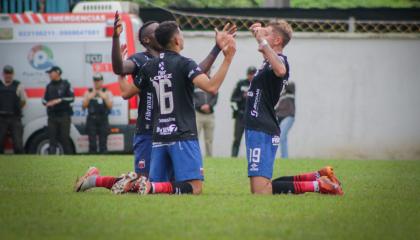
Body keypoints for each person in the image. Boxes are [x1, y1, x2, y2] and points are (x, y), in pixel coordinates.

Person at [74, 14, 236, 193]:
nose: (160, 30)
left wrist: (216, 48)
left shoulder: (160, 64)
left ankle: (97, 180)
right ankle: (96, 180)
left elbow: (195, 72)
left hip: (160, 132)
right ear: (148, 39)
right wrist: (115, 40)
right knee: (145, 182)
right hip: (153, 130)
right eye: (156, 29)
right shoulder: (143, 60)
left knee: (160, 184)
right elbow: (121, 71)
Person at [122, 20, 235, 196]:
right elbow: (211, 87)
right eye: (181, 34)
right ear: (176, 40)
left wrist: (122, 75)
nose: (182, 37)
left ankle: (152, 186)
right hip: (182, 135)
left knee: (162, 186)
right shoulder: (185, 63)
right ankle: (152, 187)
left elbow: (126, 92)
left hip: (158, 137)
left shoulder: (148, 67)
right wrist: (228, 58)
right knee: (195, 187)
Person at [245, 20, 343, 195]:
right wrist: (259, 36)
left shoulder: (281, 61)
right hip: (260, 126)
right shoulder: (269, 62)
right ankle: (318, 176)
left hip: (261, 128)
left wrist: (263, 41)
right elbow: (268, 56)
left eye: (266, 35)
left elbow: (281, 69)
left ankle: (319, 185)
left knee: (261, 191)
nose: (262, 37)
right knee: (263, 187)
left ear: (276, 41)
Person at [42, 66, 74, 155]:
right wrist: (47, 103)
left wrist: (60, 100)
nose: (49, 75)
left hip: (64, 116)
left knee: (64, 138)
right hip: (52, 116)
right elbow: (44, 100)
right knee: (52, 139)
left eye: (51, 72)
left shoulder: (66, 84)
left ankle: (69, 159)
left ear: (57, 72)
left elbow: (71, 98)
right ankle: (52, 159)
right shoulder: (49, 86)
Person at [82, 73, 113, 154]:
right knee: (92, 142)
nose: (97, 82)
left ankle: (103, 159)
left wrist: (104, 97)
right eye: (95, 81)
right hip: (91, 119)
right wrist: (90, 97)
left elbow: (110, 106)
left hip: (103, 119)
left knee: (103, 142)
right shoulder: (88, 92)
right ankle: (92, 159)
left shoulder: (107, 92)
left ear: (102, 81)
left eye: (98, 81)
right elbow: (83, 106)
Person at [230, 66, 256, 157]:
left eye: (253, 74)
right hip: (240, 116)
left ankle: (252, 158)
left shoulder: (258, 85)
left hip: (252, 117)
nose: (252, 76)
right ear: (247, 74)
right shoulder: (241, 84)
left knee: (252, 140)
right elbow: (232, 100)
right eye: (250, 74)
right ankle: (233, 157)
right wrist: (242, 97)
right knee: (237, 138)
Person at [0, 65, 26, 154]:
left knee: (18, 145)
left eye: (10, 73)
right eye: (6, 73)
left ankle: (19, 165)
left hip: (14, 118)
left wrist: (16, 109)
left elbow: (23, 101)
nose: (8, 75)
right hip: (1, 118)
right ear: (3, 74)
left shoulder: (18, 85)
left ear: (13, 74)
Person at [193, 71, 218, 157]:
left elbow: (215, 96)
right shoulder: (195, 83)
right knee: (195, 137)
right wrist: (200, 106)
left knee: (209, 139)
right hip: (198, 114)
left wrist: (209, 105)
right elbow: (192, 97)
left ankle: (209, 156)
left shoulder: (213, 82)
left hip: (210, 115)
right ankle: (195, 155)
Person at [275, 81, 295, 158]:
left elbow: (290, 85)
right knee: (274, 137)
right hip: (279, 116)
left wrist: (282, 81)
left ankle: (285, 157)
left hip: (288, 116)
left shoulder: (291, 89)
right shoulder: (280, 94)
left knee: (282, 136)